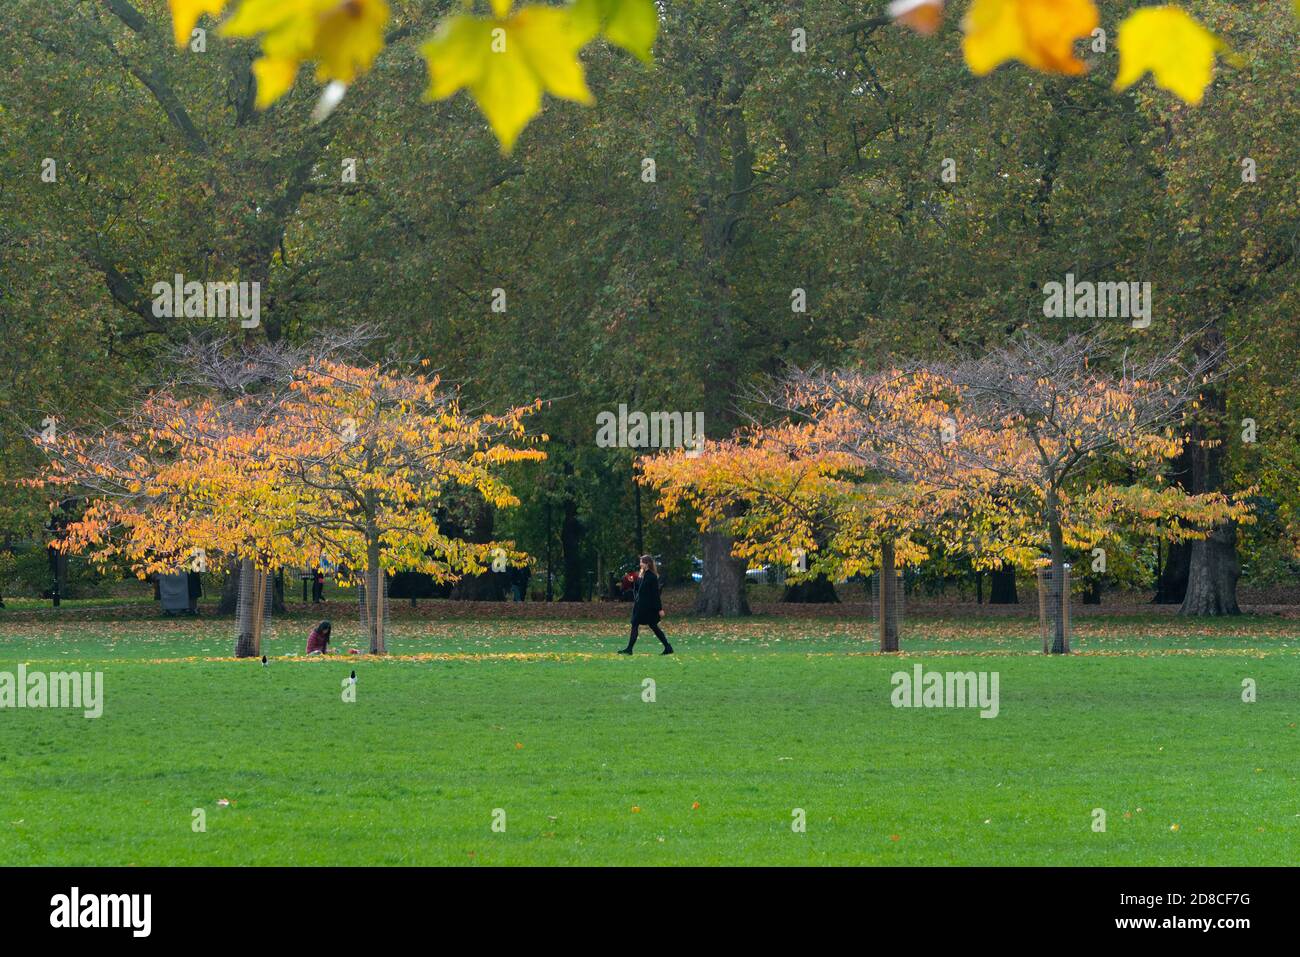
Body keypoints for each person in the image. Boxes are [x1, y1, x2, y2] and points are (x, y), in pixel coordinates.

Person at [619, 555, 672, 655]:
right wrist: (633, 581)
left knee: (646, 625)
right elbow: (639, 588)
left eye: (641, 562)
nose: (640, 564)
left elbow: (655, 594)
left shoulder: (651, 576)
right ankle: (667, 647)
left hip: (646, 607)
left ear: (647, 563)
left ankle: (630, 649)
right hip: (640, 605)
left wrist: (660, 609)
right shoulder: (642, 575)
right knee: (643, 625)